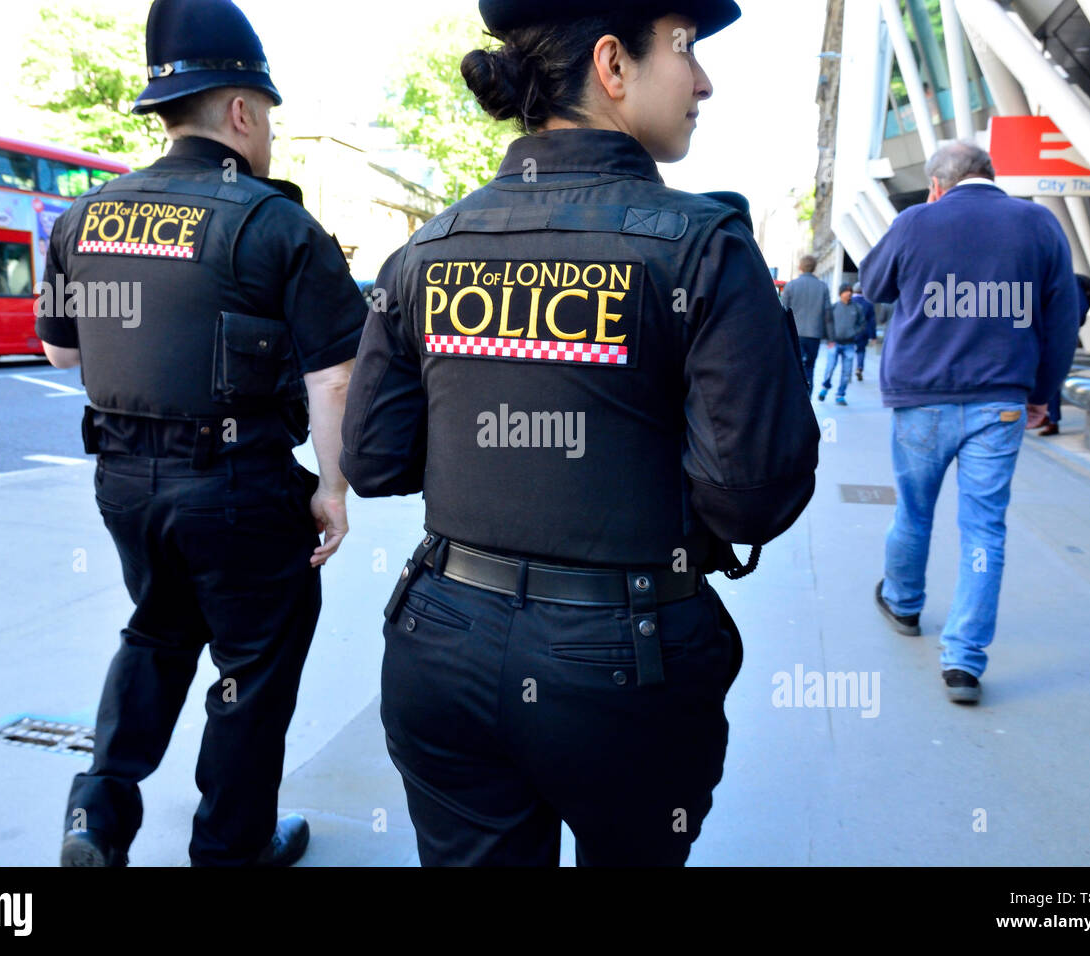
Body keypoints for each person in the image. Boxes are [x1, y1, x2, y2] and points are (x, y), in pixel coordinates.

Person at [340, 0, 818, 866]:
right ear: (612, 65)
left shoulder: (429, 247)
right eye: (687, 50)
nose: (704, 80)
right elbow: (752, 493)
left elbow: (372, 459)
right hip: (622, 665)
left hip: (440, 640)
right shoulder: (702, 246)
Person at [37, 0, 366, 866]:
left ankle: (97, 815)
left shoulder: (85, 215)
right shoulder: (276, 223)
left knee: (156, 627)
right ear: (242, 111)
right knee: (253, 666)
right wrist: (332, 489)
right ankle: (230, 847)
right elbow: (335, 377)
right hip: (238, 489)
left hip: (123, 484)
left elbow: (60, 353)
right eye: (269, 122)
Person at [859, 141, 1079, 704]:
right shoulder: (1038, 223)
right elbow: (1062, 315)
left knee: (914, 510)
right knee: (985, 528)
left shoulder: (917, 221)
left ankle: (904, 602)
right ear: (989, 175)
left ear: (937, 184)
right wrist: (1042, 394)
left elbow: (872, 284)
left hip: (922, 396)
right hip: (1001, 399)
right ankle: (962, 662)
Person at [1035, 273, 1090, 436]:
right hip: (1041, 334)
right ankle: (1046, 415)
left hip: (1056, 336)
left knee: (1051, 375)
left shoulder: (1070, 281)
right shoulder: (1045, 277)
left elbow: (1078, 314)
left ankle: (1052, 419)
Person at [781, 254, 831, 397]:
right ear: (815, 267)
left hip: (794, 334)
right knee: (810, 368)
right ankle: (807, 398)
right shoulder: (823, 287)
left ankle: (794, 398)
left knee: (793, 368)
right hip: (814, 335)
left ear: (800, 267)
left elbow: (782, 310)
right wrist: (831, 337)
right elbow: (828, 313)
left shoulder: (791, 286)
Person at [817, 283, 864, 405]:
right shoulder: (834, 308)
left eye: (850, 291)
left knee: (847, 372)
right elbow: (827, 324)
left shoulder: (857, 308)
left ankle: (840, 395)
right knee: (830, 368)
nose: (849, 293)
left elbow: (862, 324)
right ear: (840, 293)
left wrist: (854, 332)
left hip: (849, 345)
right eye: (846, 291)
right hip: (834, 343)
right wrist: (829, 339)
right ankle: (824, 389)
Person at [850, 281, 877, 381]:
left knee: (849, 350)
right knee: (861, 351)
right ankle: (859, 368)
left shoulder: (849, 301)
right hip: (863, 332)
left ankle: (848, 372)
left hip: (850, 332)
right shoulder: (868, 303)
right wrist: (873, 336)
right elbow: (872, 321)